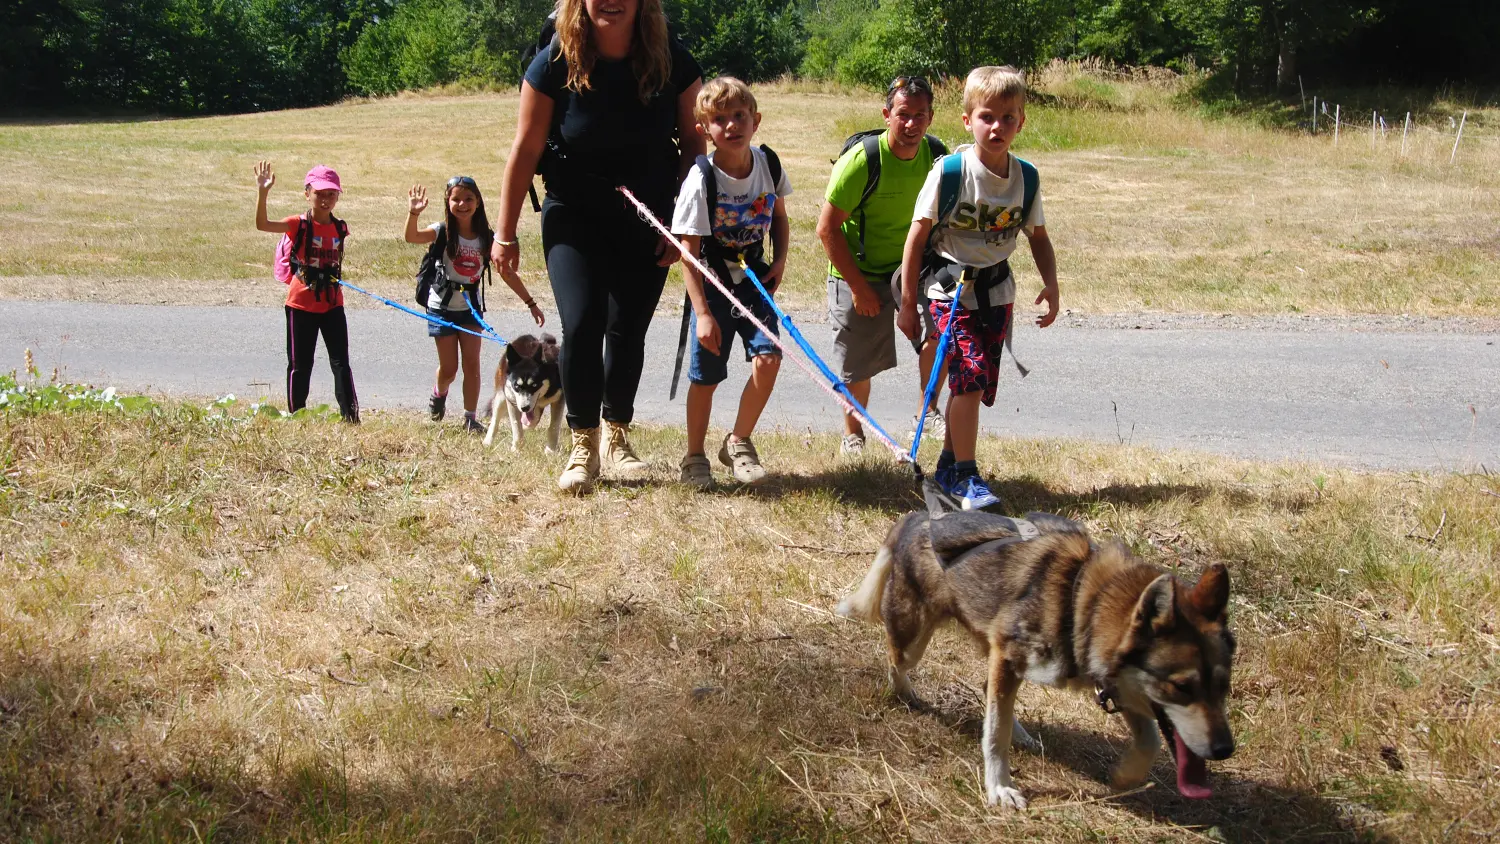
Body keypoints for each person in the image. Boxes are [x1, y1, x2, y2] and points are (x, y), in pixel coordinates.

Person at [494, 0, 705, 494]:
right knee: (583, 321)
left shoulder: (671, 58)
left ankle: (616, 433)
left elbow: (695, 145)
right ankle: (582, 443)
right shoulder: (553, 61)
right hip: (574, 215)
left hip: (649, 218)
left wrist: (680, 222)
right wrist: (504, 235)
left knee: (627, 329)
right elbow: (526, 147)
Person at [897, 66, 1060, 510]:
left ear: (1021, 122)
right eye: (988, 116)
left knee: (979, 385)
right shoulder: (950, 172)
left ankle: (949, 463)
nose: (998, 126)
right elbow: (916, 237)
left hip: (997, 292)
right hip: (947, 290)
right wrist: (909, 303)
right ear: (968, 120)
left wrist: (1052, 285)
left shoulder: (1025, 177)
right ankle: (966, 478)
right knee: (967, 378)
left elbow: (1038, 237)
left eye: (1009, 117)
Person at [670, 77, 790, 488]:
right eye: (719, 119)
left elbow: (779, 216)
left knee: (769, 357)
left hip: (754, 279)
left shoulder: (768, 164)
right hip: (713, 281)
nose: (732, 125)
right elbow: (688, 252)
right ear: (704, 130)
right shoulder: (700, 180)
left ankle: (738, 441)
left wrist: (781, 261)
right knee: (707, 376)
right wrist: (702, 312)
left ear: (755, 120)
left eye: (739, 116)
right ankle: (694, 456)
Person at [818, 75, 946, 457]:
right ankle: (853, 435)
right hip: (860, 271)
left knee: (936, 334)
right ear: (887, 114)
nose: (911, 125)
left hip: (913, 267)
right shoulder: (863, 161)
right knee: (857, 365)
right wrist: (858, 288)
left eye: (920, 116)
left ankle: (930, 410)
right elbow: (827, 230)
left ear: (931, 117)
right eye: (903, 115)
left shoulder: (936, 156)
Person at [404, 177, 544, 433]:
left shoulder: (486, 238)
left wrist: (530, 302)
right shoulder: (441, 231)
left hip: (470, 310)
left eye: (469, 199)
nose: (463, 204)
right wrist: (413, 213)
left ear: (478, 202)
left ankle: (469, 418)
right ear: (448, 201)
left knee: (472, 364)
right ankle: (440, 392)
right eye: (456, 198)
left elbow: (507, 272)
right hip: (441, 308)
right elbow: (411, 236)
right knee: (449, 369)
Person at [253, 160, 359, 423]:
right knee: (300, 366)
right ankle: (296, 415)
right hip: (300, 305)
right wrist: (263, 192)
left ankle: (351, 418)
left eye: (331, 194)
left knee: (341, 364)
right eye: (320, 193)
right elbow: (262, 224)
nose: (325, 199)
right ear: (307, 193)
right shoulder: (297, 224)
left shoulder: (340, 227)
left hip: (333, 303)